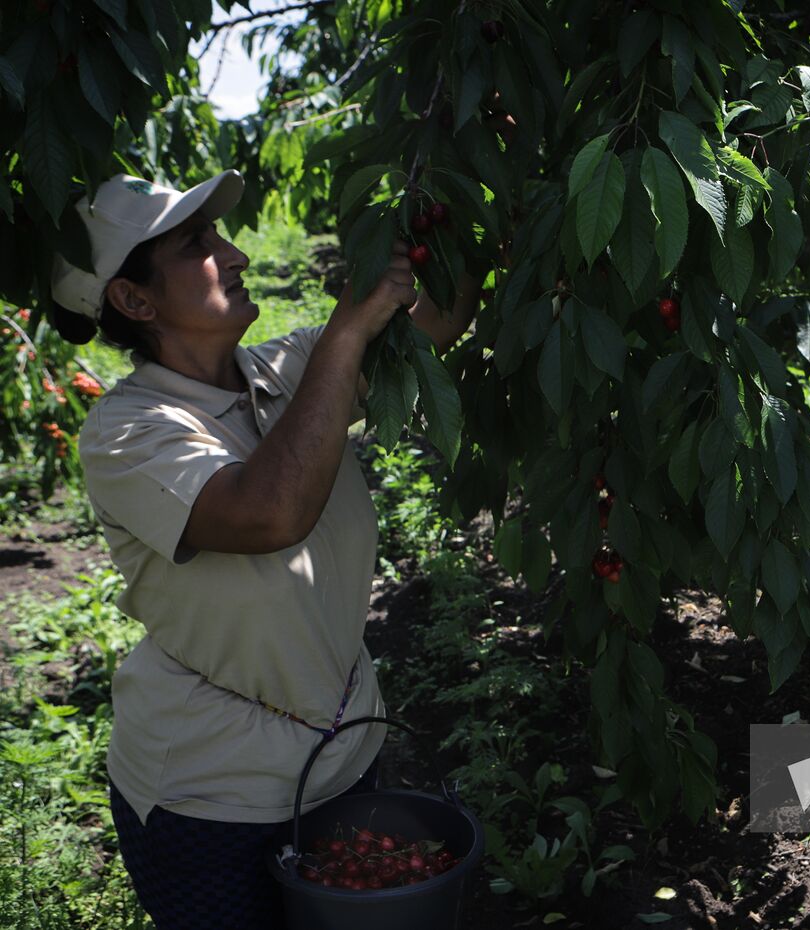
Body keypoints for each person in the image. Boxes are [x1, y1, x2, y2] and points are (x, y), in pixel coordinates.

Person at [49, 169, 476, 928]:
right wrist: (346, 333)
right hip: (211, 799)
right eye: (197, 244)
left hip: (345, 752)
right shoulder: (128, 432)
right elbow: (268, 513)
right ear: (135, 300)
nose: (236, 253)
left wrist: (462, 181)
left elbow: (440, 318)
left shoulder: (287, 372)